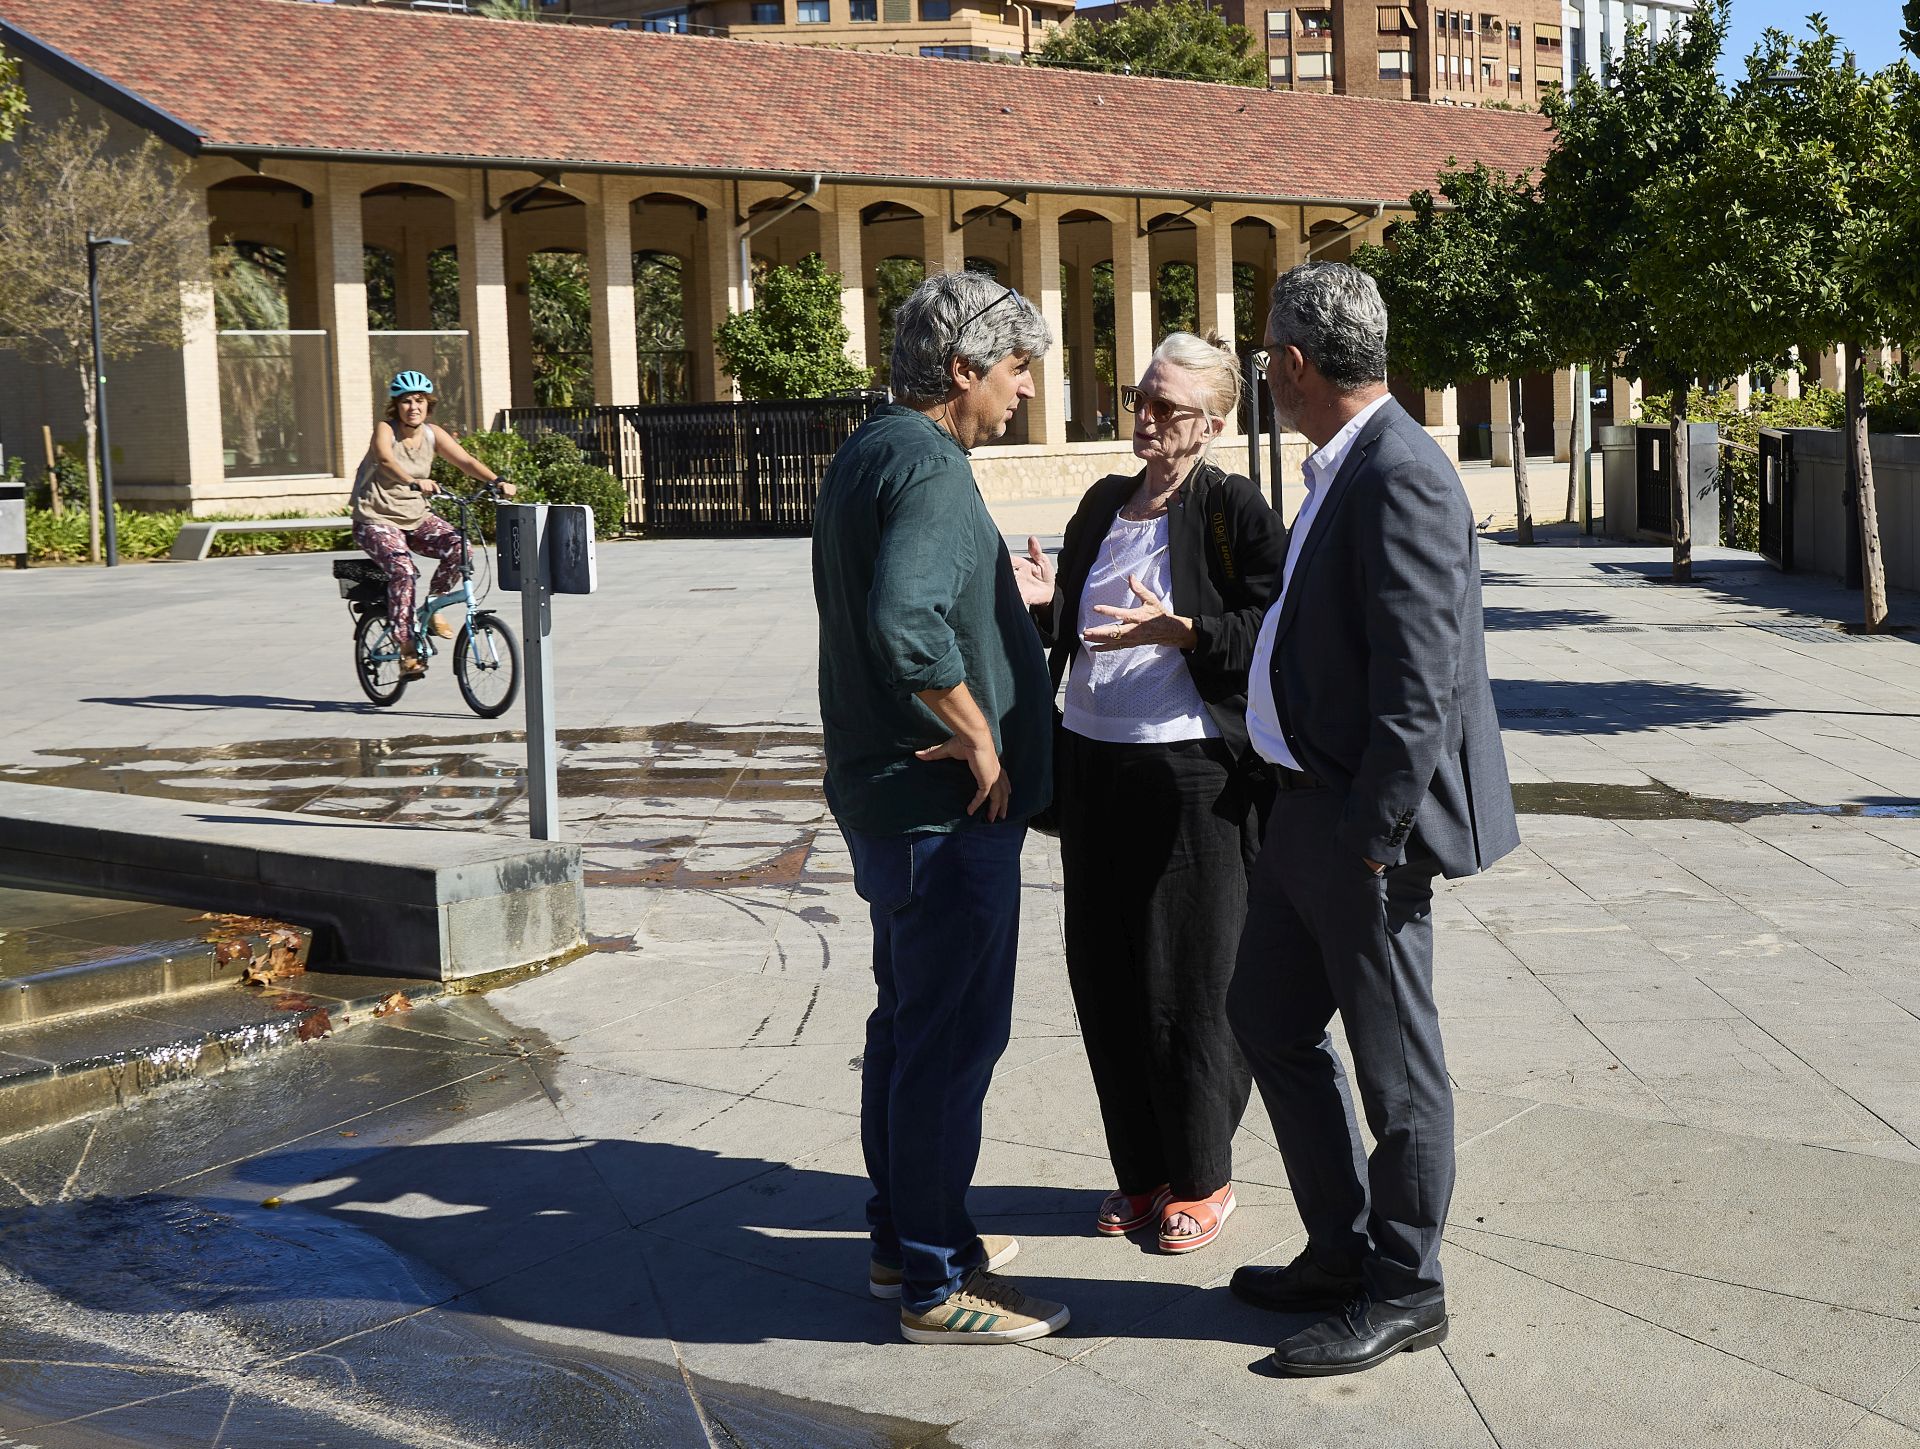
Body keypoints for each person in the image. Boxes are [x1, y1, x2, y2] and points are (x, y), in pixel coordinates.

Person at [1226, 263, 1519, 1376]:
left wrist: (1373, 833)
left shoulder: (1402, 473)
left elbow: (1422, 682)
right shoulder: (1344, 467)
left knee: (1397, 1073)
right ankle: (1342, 1247)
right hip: (1305, 814)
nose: (1267, 375)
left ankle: (1408, 1288)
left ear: (1296, 364)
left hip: (1359, 828)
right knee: (1265, 1017)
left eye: (1268, 357)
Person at [812, 271, 1069, 1346]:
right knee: (952, 1039)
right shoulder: (928, 466)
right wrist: (976, 732)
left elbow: (915, 600)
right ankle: (931, 1280)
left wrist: (1009, 610)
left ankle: (909, 1236)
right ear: (961, 369)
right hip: (942, 808)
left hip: (890, 797)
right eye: (1015, 369)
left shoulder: (874, 449)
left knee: (909, 1026)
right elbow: (908, 622)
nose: (1024, 392)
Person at [1028, 332, 1284, 1256]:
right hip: (1095, 763)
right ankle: (1140, 1172)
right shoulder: (1103, 502)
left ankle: (1203, 1175)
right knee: (1105, 974)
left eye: (1166, 407)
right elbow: (1086, 621)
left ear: (1211, 425)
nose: (1144, 416)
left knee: (1190, 978)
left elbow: (1274, 625)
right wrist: (1043, 601)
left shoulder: (1233, 506)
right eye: (1141, 396)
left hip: (1192, 774)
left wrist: (1189, 631)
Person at [350, 371, 511, 678]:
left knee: (460, 547)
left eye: (420, 401)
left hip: (415, 517)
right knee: (404, 571)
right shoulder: (386, 430)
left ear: (428, 405)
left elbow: (465, 461)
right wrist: (413, 480)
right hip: (376, 518)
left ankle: (434, 603)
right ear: (396, 406)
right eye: (407, 401)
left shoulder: (432, 434)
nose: (413, 407)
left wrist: (497, 481)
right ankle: (407, 650)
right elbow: (385, 459)